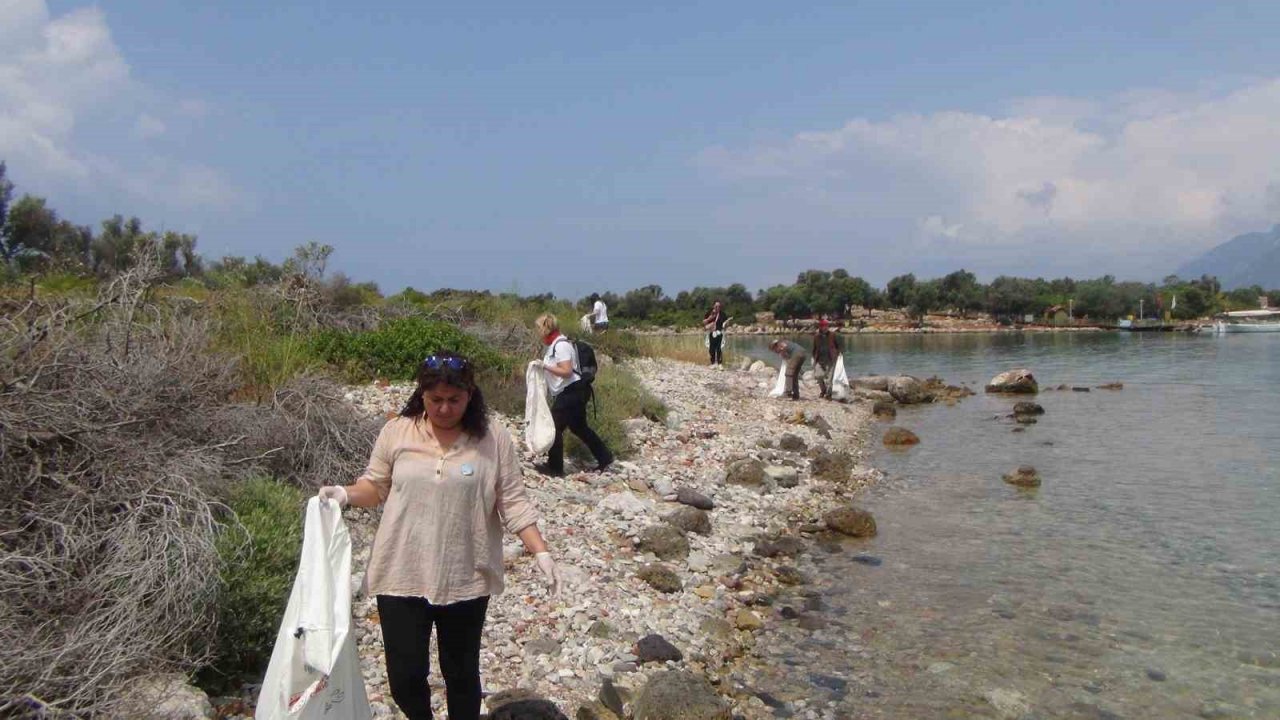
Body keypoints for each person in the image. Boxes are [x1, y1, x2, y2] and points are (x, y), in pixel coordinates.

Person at [316, 350, 562, 720]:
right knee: (404, 676)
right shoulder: (397, 431)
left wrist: (541, 552)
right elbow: (375, 486)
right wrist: (345, 494)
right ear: (421, 394)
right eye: (435, 400)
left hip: (465, 574)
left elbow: (512, 501)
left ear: (470, 395)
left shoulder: (493, 439)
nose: (444, 409)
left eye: (454, 400)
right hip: (401, 570)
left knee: (461, 673)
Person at [534, 313, 613, 476]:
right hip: (575, 391)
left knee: (554, 427)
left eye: (538, 328)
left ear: (545, 328)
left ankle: (555, 467)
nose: (537, 332)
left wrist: (544, 366)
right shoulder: (556, 344)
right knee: (579, 428)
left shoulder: (560, 346)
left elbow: (566, 371)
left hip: (572, 391)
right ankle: (605, 457)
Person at [811, 318, 841, 400]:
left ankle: (828, 394)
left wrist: (838, 354)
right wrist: (813, 358)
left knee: (829, 379)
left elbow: (838, 346)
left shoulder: (832, 335)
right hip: (819, 359)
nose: (825, 327)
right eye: (823, 326)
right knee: (818, 376)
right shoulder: (816, 336)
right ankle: (823, 390)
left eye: (826, 326)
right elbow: (814, 348)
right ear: (820, 327)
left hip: (831, 359)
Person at [703, 301, 732, 366]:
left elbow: (726, 325)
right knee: (711, 349)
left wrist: (727, 323)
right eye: (716, 306)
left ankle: (720, 364)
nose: (717, 307)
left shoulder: (723, 314)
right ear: (713, 306)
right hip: (711, 332)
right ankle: (713, 363)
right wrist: (709, 318)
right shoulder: (709, 313)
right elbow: (704, 322)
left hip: (719, 333)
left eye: (719, 306)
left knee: (719, 348)